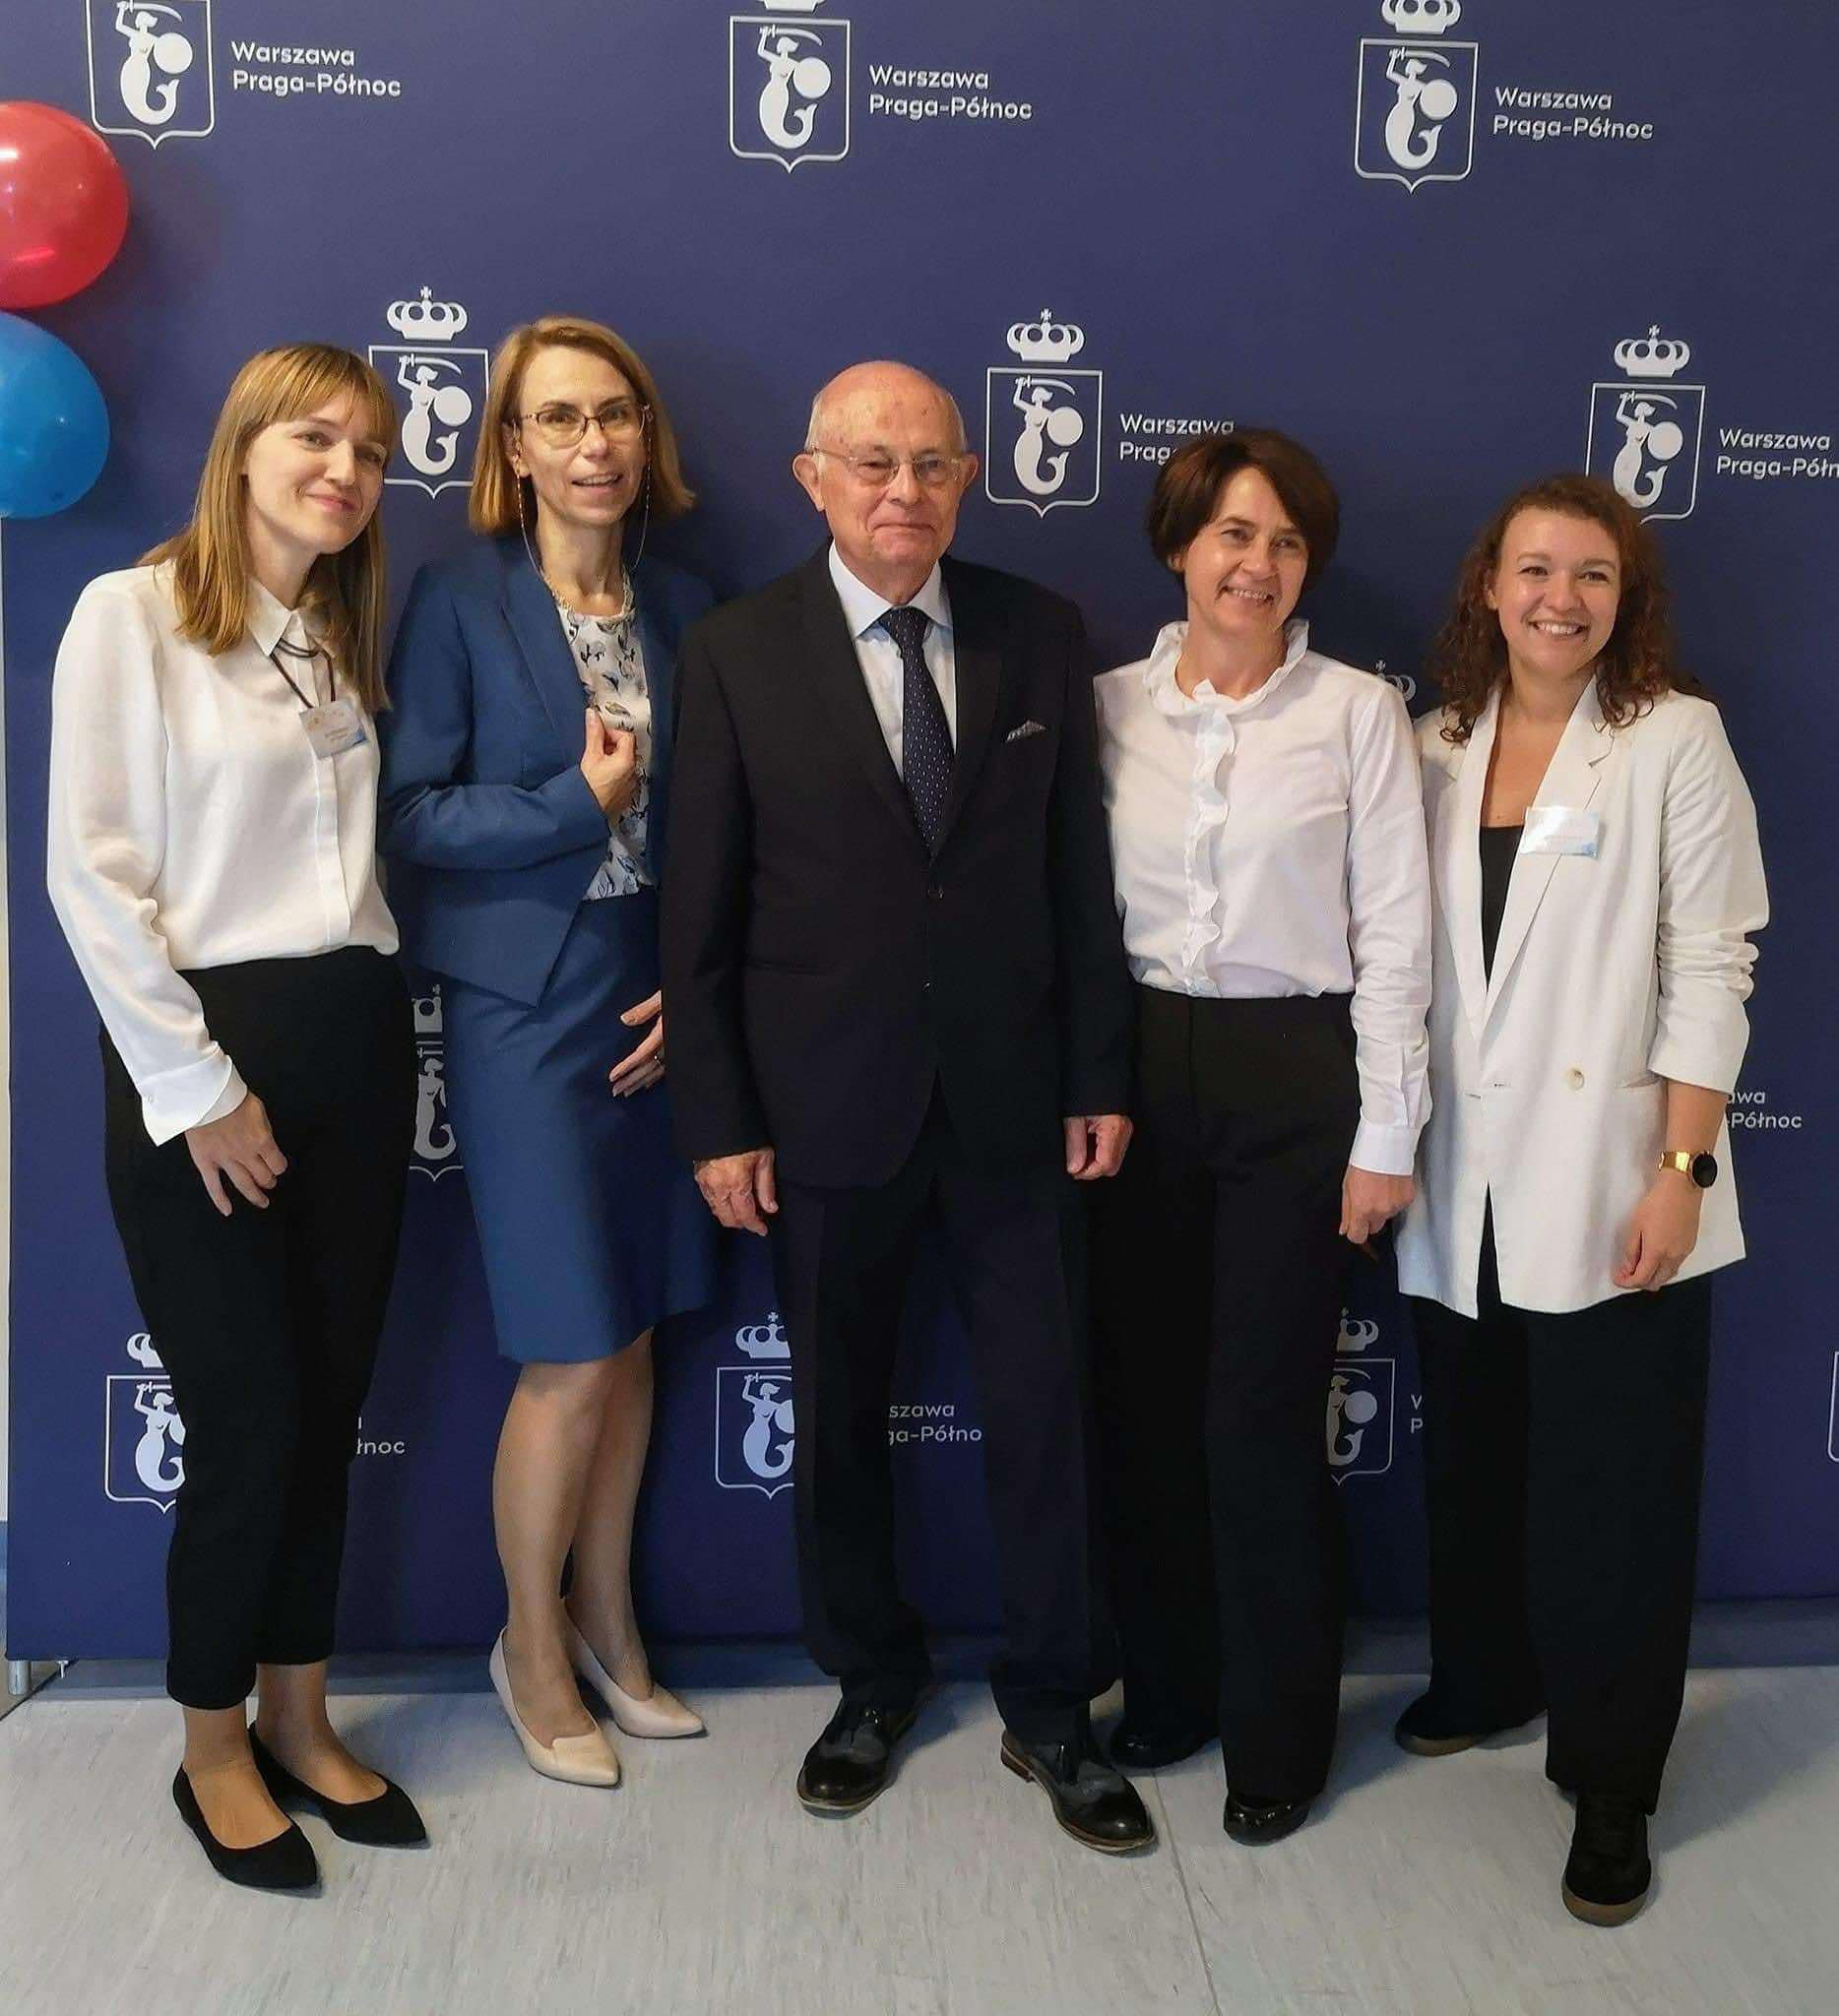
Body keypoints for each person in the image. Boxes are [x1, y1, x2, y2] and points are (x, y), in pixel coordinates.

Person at [663, 361, 1153, 1855]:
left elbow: (1080, 876)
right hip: (822, 1109)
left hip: (1018, 1106)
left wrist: (1098, 1073)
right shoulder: (737, 649)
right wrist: (718, 1116)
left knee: (1049, 1415)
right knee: (834, 1416)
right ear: (812, 478)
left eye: (933, 464)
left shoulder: (1037, 630)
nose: (903, 492)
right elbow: (699, 909)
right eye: (872, 463)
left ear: (968, 479)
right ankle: (869, 1682)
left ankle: (1055, 1706)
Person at [47, 344, 421, 1890]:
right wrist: (199, 1091)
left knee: (327, 1406)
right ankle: (212, 1746)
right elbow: (91, 874)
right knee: (249, 1418)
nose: (345, 470)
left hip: (355, 1040)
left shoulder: (331, 638)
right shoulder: (130, 614)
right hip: (209, 1053)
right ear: (244, 446)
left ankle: (300, 1716)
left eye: (371, 450)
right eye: (315, 437)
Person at [1393, 472, 1767, 1926]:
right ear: (1490, 588)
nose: (1562, 599)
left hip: (1617, 1185)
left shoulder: (1672, 738)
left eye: (1593, 575)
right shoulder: (1433, 743)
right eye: (1537, 571)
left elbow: (1713, 963)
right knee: (1478, 1460)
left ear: (1627, 600)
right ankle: (1490, 1678)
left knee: (1614, 1500)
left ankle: (1613, 1783)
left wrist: (1680, 1171)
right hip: (1466, 1185)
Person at [379, 316, 716, 1788]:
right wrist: (576, 807)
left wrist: (702, 988)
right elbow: (412, 815)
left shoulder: (689, 607)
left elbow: (732, 826)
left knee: (634, 1335)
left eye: (616, 414)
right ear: (512, 447)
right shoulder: (459, 599)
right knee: (571, 1345)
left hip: (656, 998)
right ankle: (525, 1647)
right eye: (561, 419)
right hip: (524, 1006)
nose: (595, 444)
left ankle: (607, 1621)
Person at [1089, 430, 1431, 1844]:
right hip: (1136, 1073)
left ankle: (1279, 1728)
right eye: (1234, 534)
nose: (1259, 565)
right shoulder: (1106, 705)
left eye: (1288, 542)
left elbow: (1396, 935)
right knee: (1147, 1408)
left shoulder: (1358, 713)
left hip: (1296, 1075)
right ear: (1180, 545)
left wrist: (1386, 1132)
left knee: (1258, 1419)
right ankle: (1169, 1688)